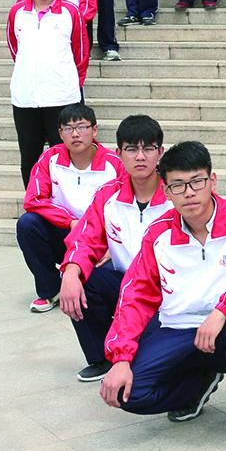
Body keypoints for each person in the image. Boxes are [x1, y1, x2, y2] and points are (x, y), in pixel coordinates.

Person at [100, 141, 226, 443]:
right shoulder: (158, 233)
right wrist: (121, 358)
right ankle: (199, 381)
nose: (189, 192)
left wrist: (224, 310)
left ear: (212, 181)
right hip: (177, 328)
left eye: (197, 181)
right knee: (129, 394)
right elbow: (135, 296)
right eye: (178, 185)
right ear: (166, 191)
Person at [59, 114, 173, 381]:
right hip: (126, 285)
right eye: (131, 149)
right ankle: (102, 358)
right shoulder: (108, 194)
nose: (140, 157)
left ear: (160, 153)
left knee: (147, 369)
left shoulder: (174, 193)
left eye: (148, 148)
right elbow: (84, 238)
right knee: (82, 278)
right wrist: (70, 272)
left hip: (168, 292)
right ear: (119, 153)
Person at [16, 103, 123, 313]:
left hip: (101, 240)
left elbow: (127, 209)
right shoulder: (50, 159)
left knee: (100, 286)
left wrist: (115, 245)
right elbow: (33, 199)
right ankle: (50, 290)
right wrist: (70, 221)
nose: (75, 134)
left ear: (94, 130)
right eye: (68, 129)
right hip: (64, 233)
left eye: (82, 127)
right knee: (27, 224)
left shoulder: (114, 164)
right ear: (60, 134)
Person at [7, 0, 90, 187]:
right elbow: (15, 48)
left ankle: (64, 204)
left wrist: (69, 83)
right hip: (26, 99)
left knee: (65, 158)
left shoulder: (70, 12)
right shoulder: (17, 12)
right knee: (29, 159)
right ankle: (34, 203)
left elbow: (81, 54)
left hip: (61, 97)